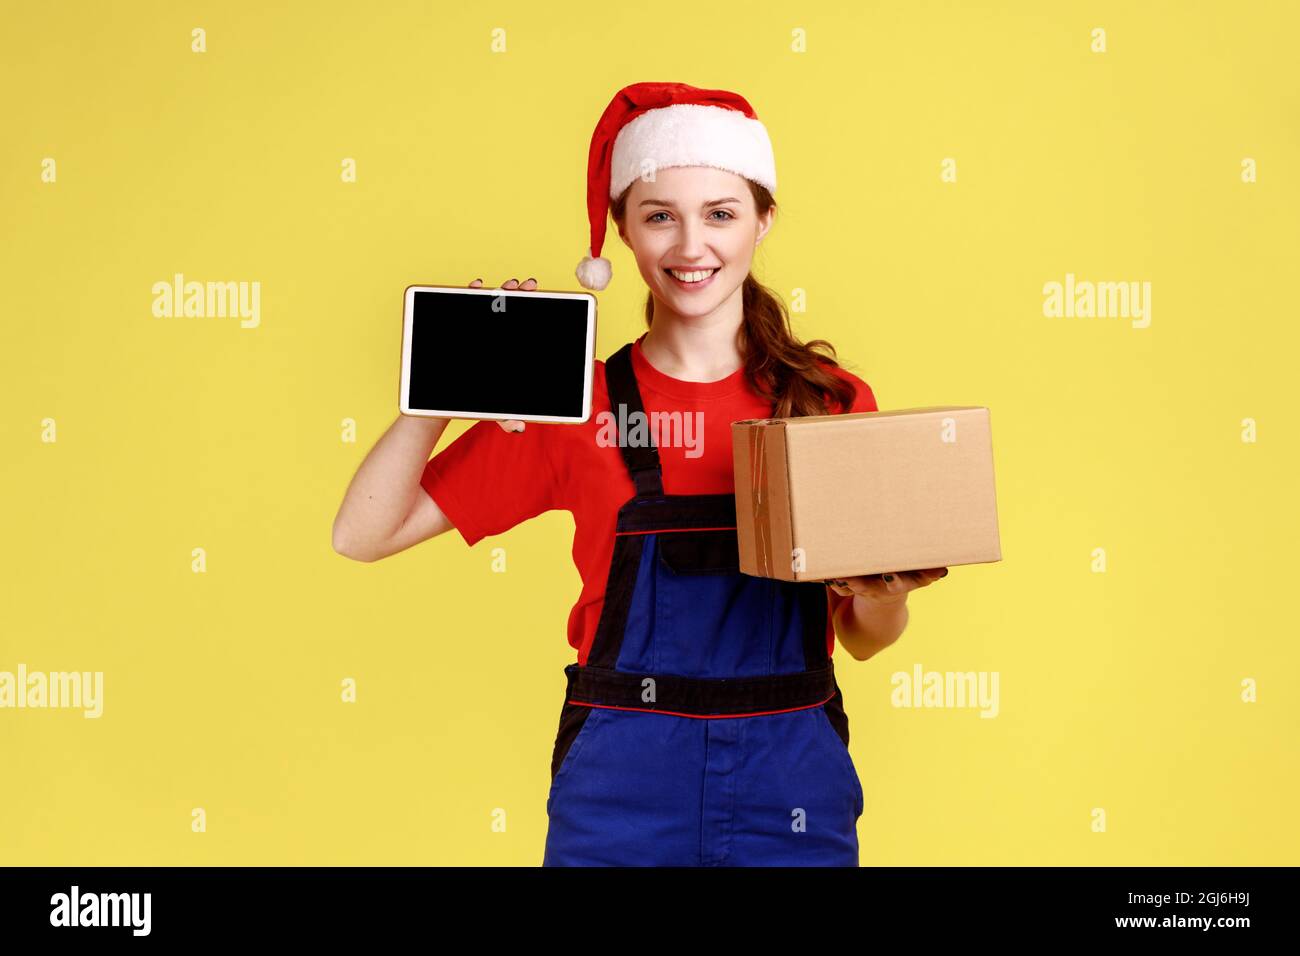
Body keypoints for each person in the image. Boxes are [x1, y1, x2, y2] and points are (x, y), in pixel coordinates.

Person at [331, 81, 948, 866]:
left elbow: (863, 640)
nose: (692, 248)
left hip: (791, 779)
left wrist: (884, 595)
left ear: (763, 221)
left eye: (721, 214)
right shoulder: (571, 406)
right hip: (622, 786)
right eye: (660, 216)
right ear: (622, 229)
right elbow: (362, 534)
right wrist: (443, 389)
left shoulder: (825, 403)